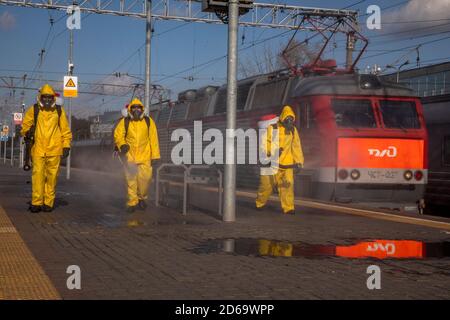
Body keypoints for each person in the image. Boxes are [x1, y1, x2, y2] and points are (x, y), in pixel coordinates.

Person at [21, 84, 72, 213]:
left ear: (53, 98)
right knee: (37, 177)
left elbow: (65, 131)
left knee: (52, 177)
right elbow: (25, 126)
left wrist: (66, 146)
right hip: (38, 149)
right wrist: (27, 132)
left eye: (50, 97)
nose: (48, 100)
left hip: (54, 150)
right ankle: (36, 202)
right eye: (45, 97)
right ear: (41, 97)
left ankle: (48, 203)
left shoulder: (59, 111)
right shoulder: (34, 109)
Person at [255, 105, 304, 215]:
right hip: (272, 162)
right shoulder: (273, 128)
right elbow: (265, 143)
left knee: (288, 185)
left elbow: (296, 146)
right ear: (283, 118)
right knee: (266, 186)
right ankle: (260, 202)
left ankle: (288, 208)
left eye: (291, 119)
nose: (289, 121)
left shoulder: (293, 130)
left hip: (287, 163)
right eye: (288, 118)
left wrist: (299, 161)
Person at [114, 98, 160, 213]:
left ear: (142, 109)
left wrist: (155, 156)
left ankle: (142, 197)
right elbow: (118, 136)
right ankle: (132, 203)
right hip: (130, 156)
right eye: (134, 108)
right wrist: (122, 145)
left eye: (138, 108)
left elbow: (153, 140)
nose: (136, 110)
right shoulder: (125, 122)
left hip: (145, 156)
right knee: (131, 180)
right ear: (130, 109)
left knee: (145, 180)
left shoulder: (149, 121)